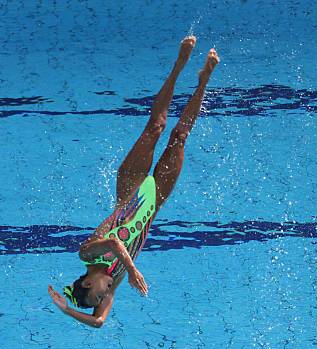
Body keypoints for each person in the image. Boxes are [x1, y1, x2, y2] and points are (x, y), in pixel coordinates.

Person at [48, 36, 219, 327]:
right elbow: (98, 322)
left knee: (156, 126)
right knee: (179, 137)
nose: (104, 300)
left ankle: (179, 65)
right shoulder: (111, 281)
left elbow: (114, 242)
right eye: (102, 301)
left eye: (97, 298)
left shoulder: (87, 253)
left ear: (88, 285)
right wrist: (66, 311)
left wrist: (133, 271)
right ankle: (204, 79)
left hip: (129, 190)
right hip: (154, 202)